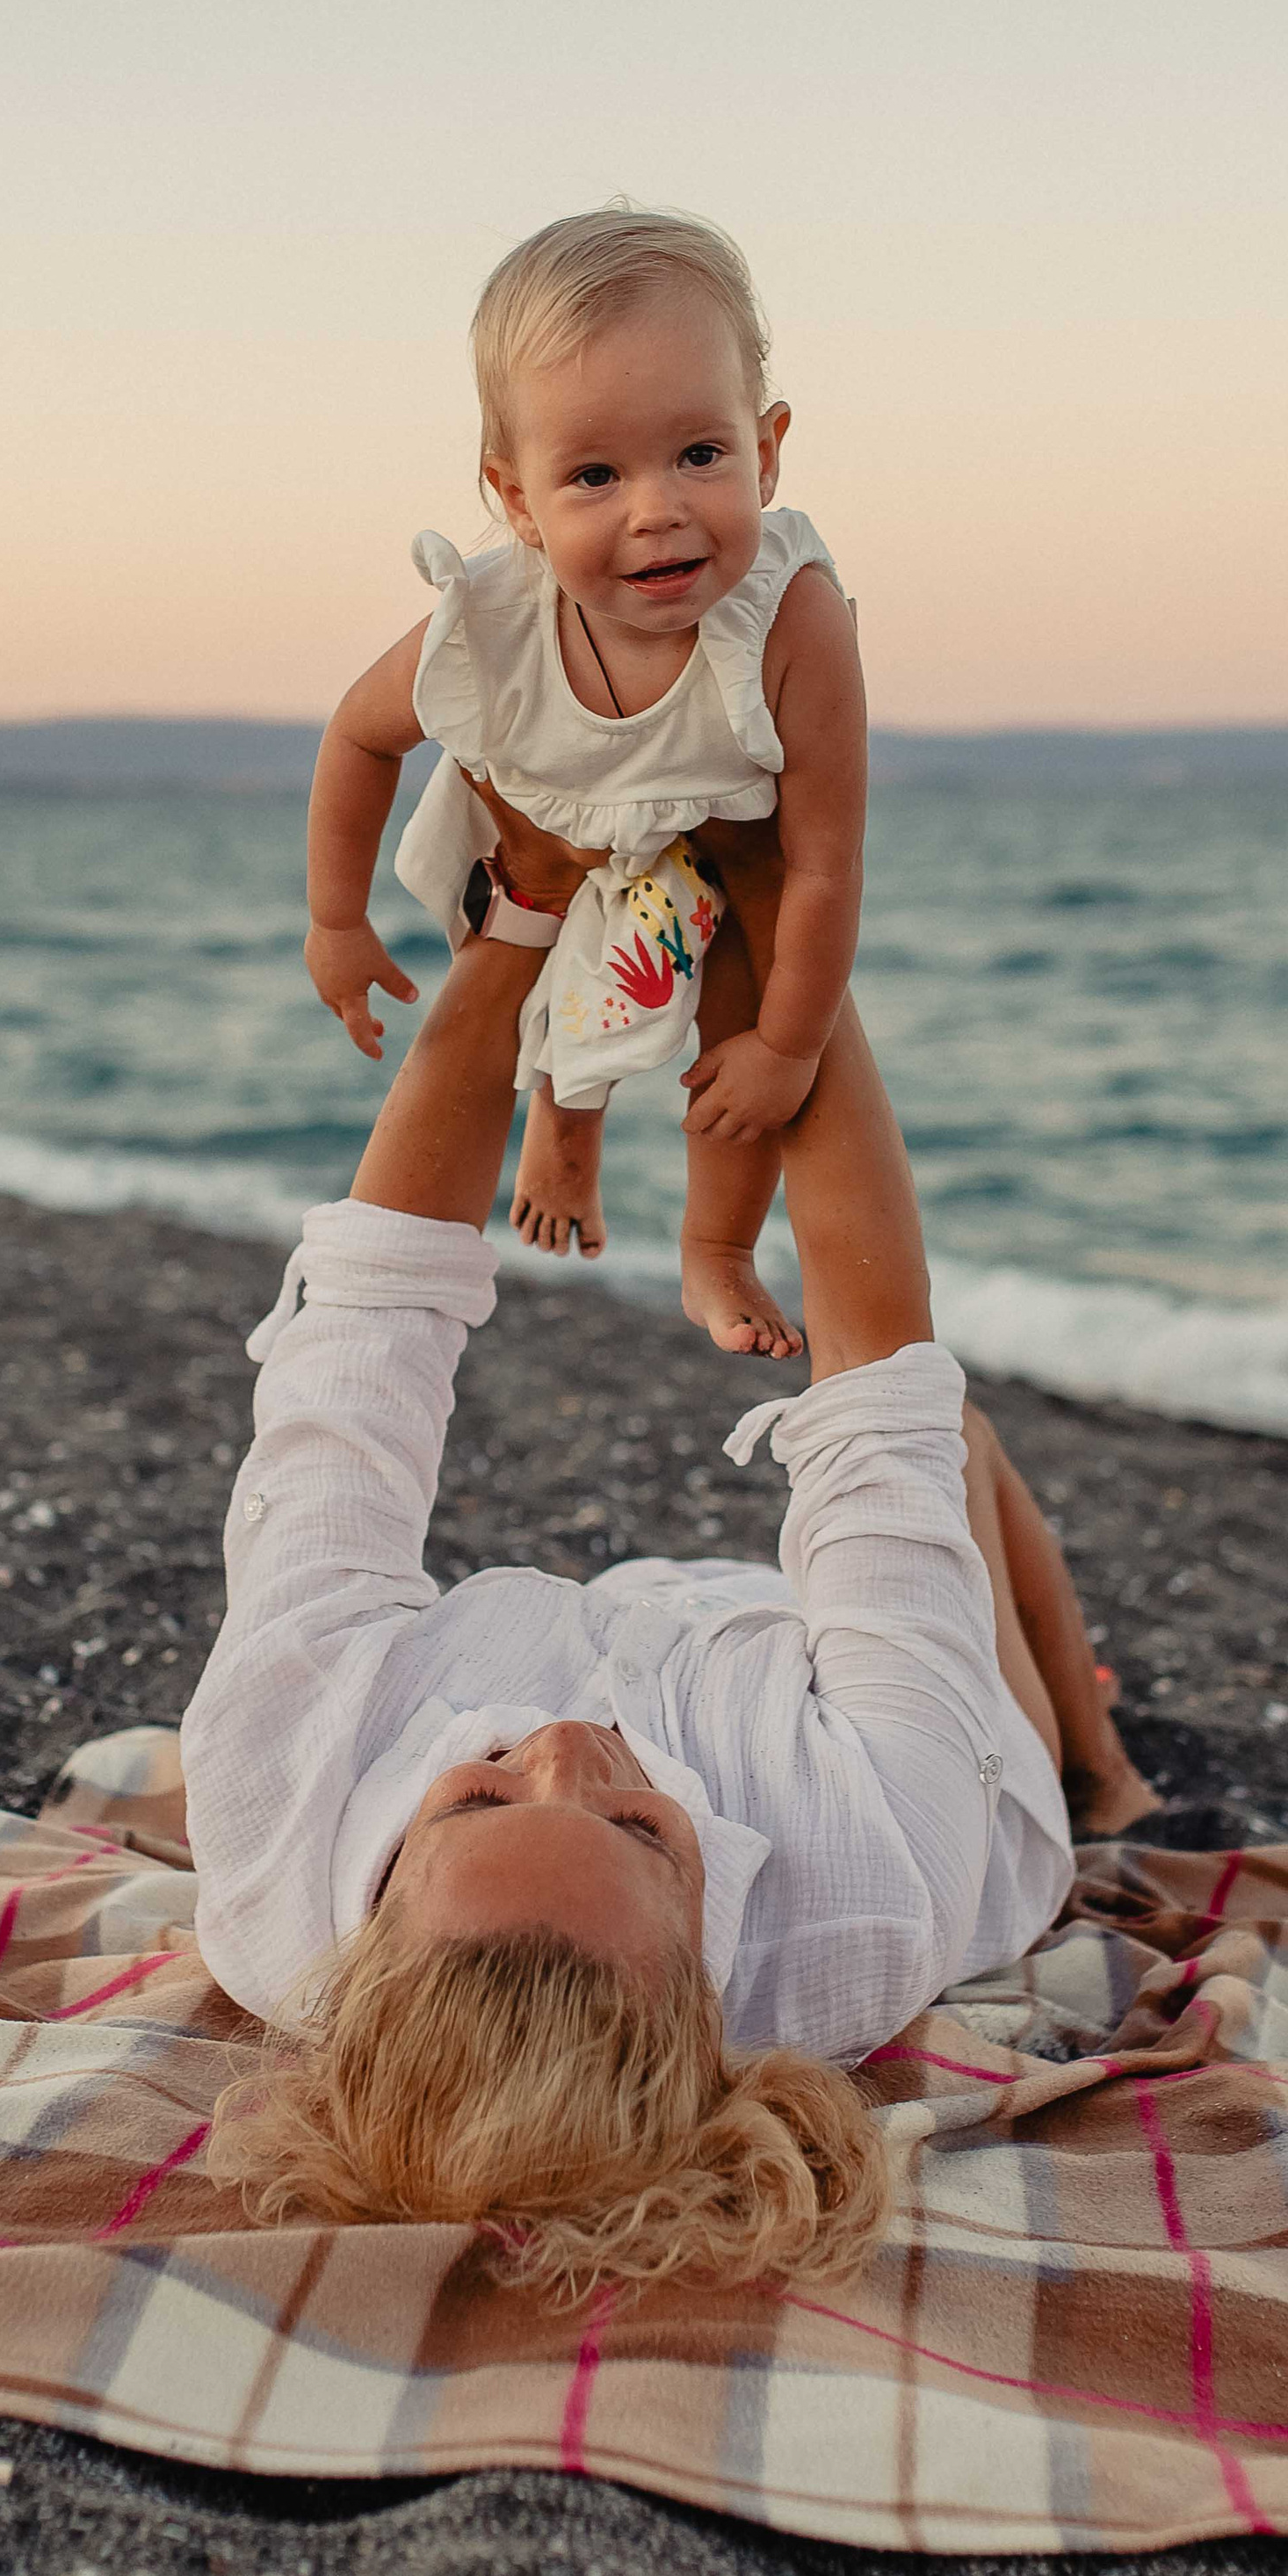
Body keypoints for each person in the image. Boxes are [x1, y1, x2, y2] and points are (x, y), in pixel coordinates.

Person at [186, 920, 1160, 2302]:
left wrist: (518, 923)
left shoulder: (273, 1816)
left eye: (476, 1801)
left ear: (378, 1906)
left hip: (679, 1637)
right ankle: (1108, 1767)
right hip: (959, 1779)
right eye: (639, 1829)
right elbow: (878, 1377)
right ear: (709, 1976)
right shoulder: (871, 1894)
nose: (570, 1749)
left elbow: (365, 1332)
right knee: (951, 1446)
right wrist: (783, 940)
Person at [301, 203, 866, 1360]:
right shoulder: (494, 624)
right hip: (533, 802)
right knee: (520, 951)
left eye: (700, 455)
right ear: (515, 498)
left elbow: (822, 860)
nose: (656, 509)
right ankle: (562, 1118)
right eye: (596, 474)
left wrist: (791, 1048)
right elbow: (361, 738)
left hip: (692, 846)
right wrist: (336, 919)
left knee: (751, 987)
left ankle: (715, 1250)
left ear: (767, 449)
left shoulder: (792, 619)